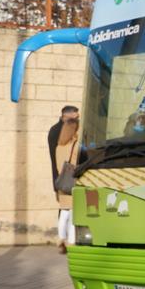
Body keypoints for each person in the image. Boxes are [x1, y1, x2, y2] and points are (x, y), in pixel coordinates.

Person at [53, 115, 82, 253]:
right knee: (73, 213)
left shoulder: (59, 146)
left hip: (62, 181)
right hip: (72, 182)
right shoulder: (75, 145)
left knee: (64, 212)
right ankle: (71, 241)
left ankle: (60, 239)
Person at [47, 105, 78, 187]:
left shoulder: (55, 129)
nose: (77, 121)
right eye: (74, 118)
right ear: (65, 116)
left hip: (63, 178)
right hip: (64, 178)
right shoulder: (57, 130)